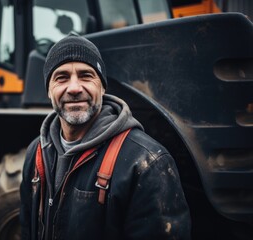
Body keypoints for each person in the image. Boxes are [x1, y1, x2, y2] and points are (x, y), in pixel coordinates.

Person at [20, 33, 191, 240]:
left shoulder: (147, 163)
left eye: (86, 75)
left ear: (102, 86)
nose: (74, 88)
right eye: (61, 77)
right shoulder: (36, 153)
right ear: (49, 90)